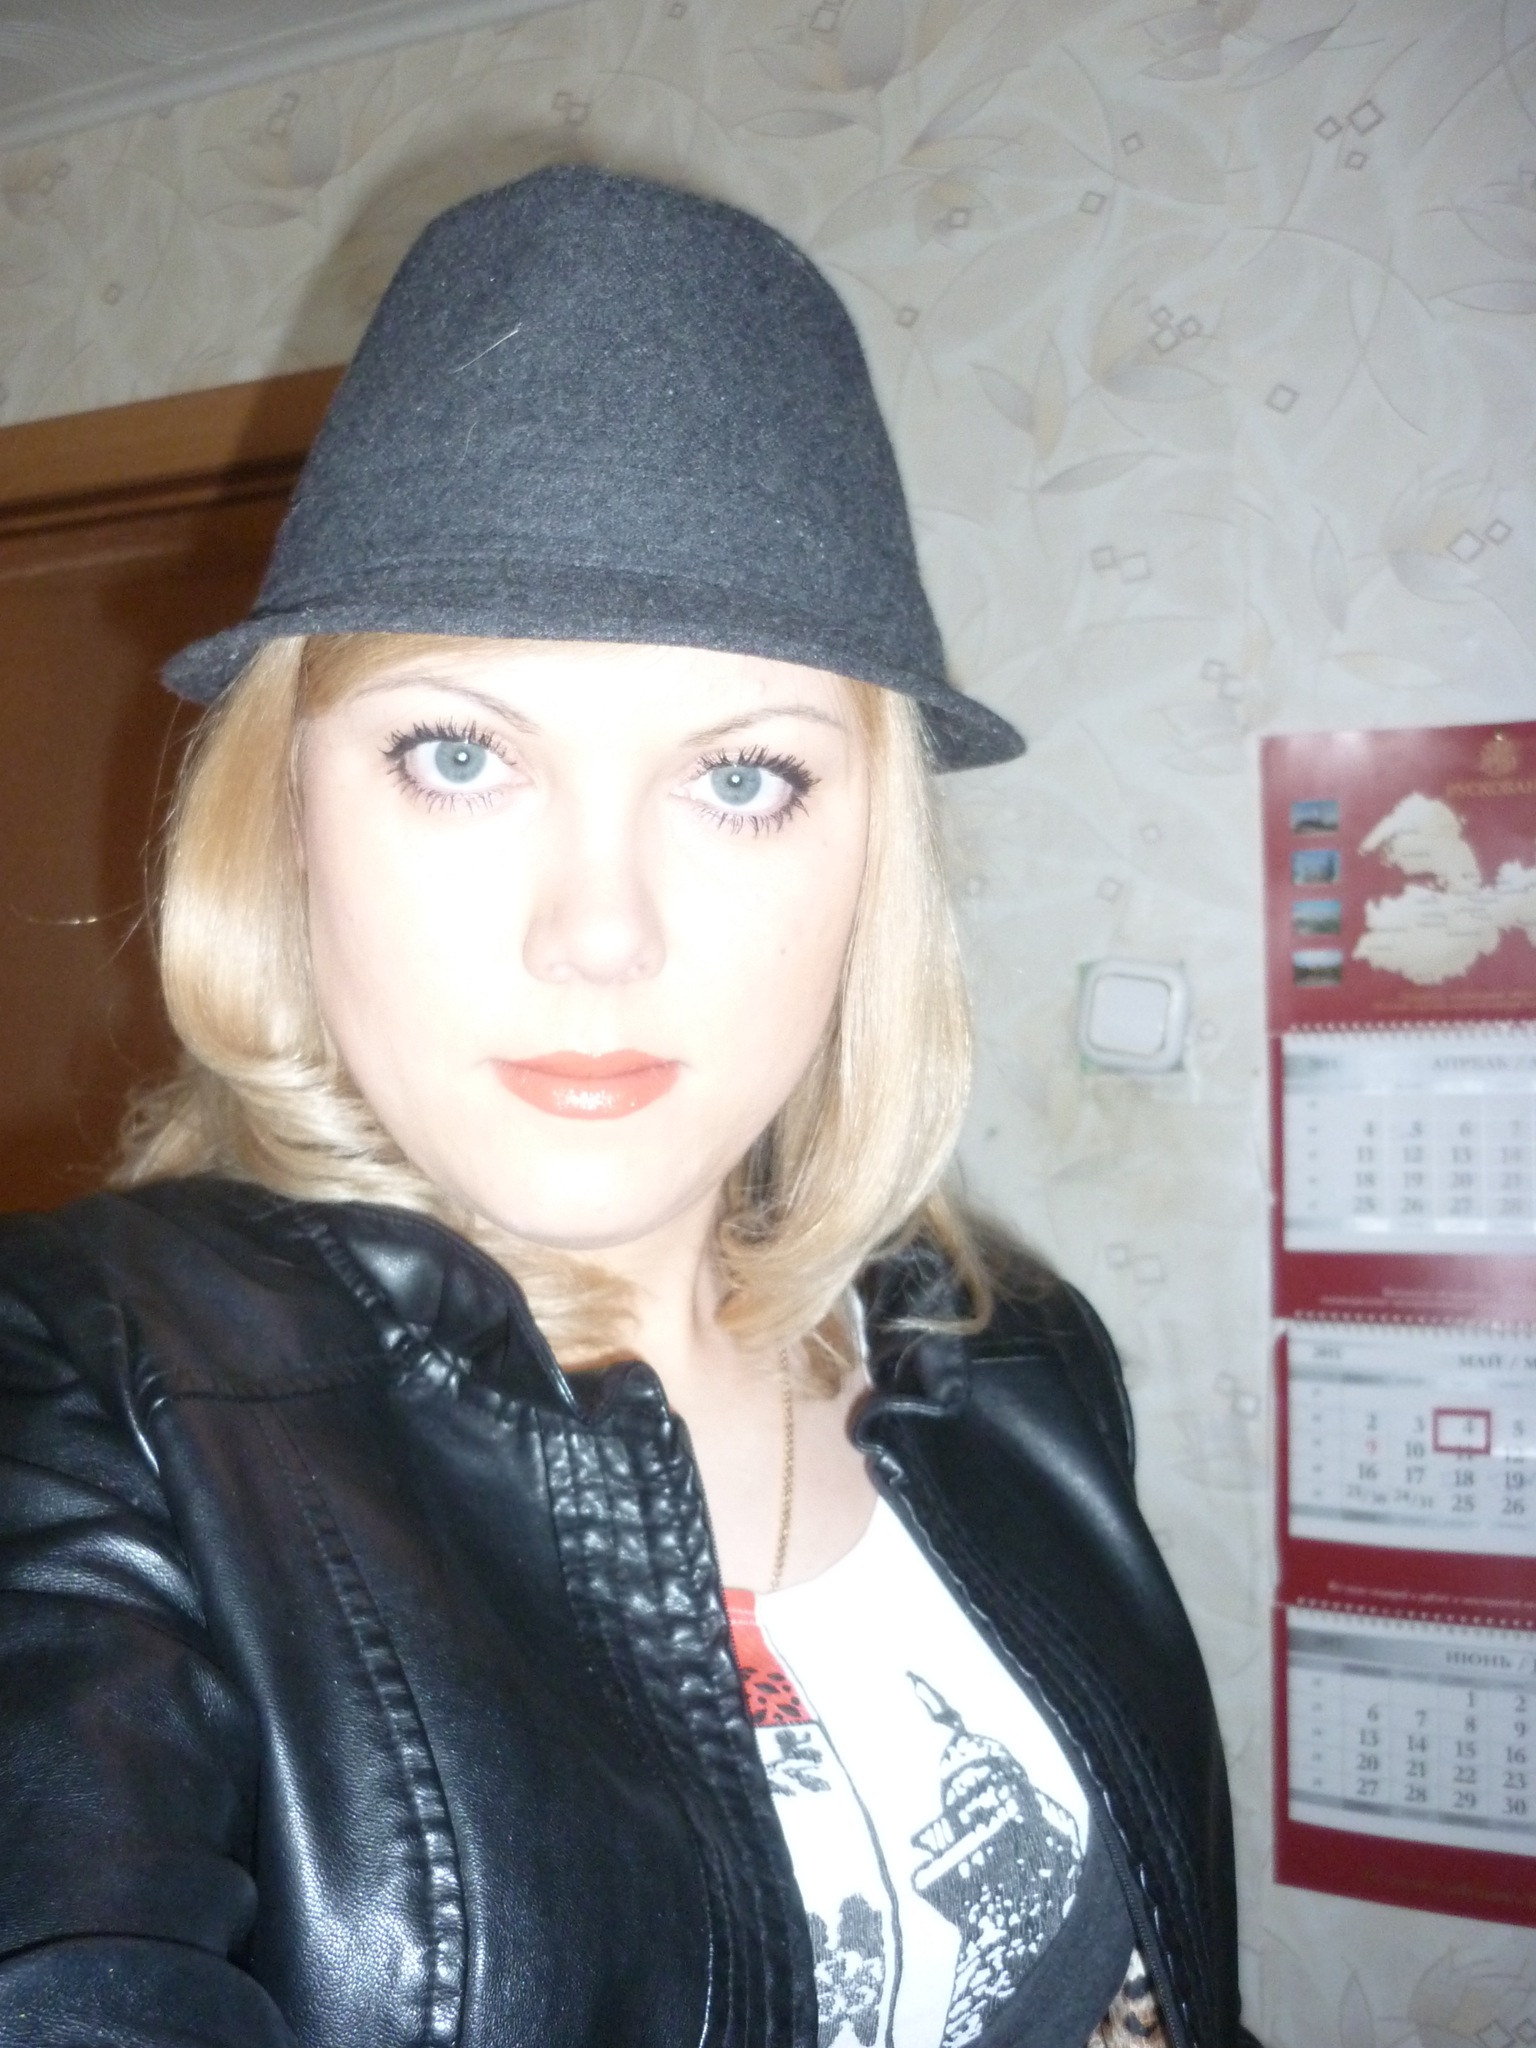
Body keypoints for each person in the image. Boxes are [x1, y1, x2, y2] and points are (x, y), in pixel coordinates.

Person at [0, 167, 1255, 2048]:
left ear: (871, 857)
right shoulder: (86, 1403)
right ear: (290, 813)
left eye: (741, 778)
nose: (600, 933)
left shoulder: (1016, 1365)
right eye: (458, 753)